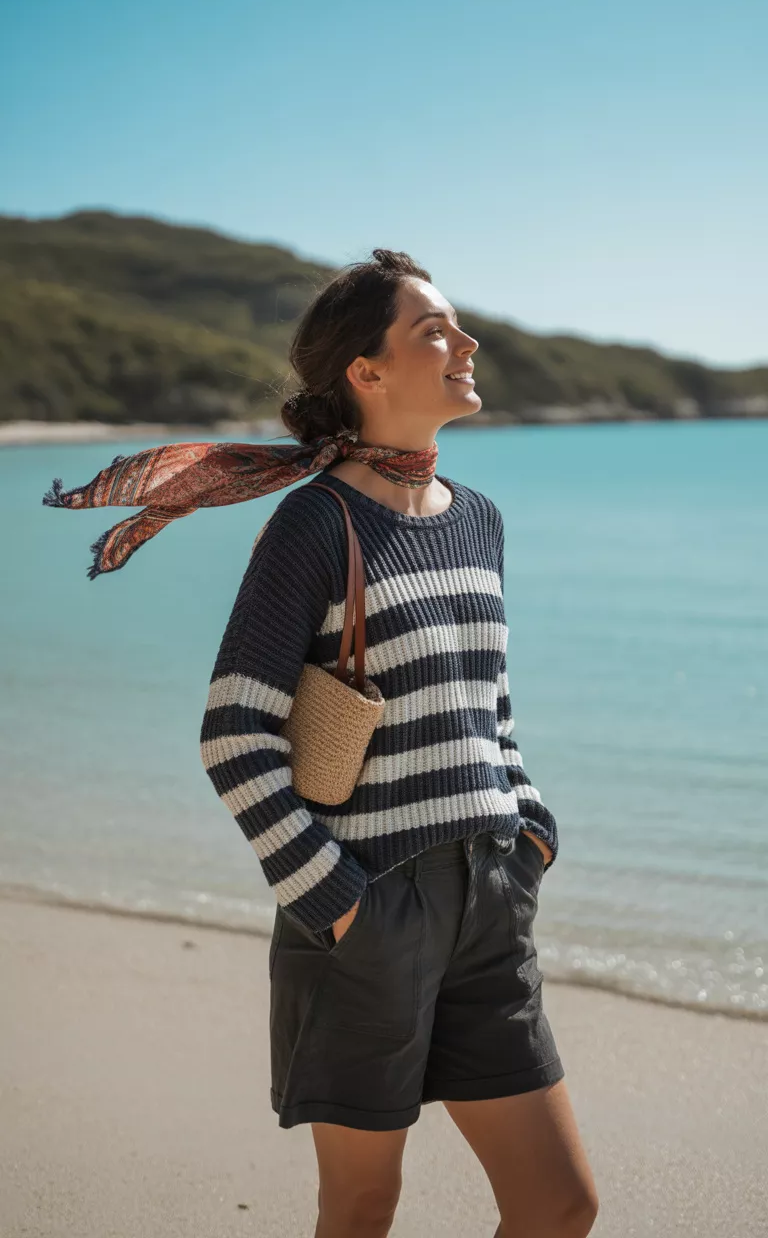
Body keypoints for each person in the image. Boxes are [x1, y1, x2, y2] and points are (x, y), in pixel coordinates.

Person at [198, 249, 600, 1238]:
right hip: (367, 908)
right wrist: (339, 905)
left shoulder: (480, 522)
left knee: (558, 1206)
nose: (465, 343)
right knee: (365, 1206)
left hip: (492, 901)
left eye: (457, 327)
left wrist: (531, 831)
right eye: (434, 330)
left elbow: (490, 707)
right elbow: (232, 735)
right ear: (365, 374)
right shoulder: (312, 525)